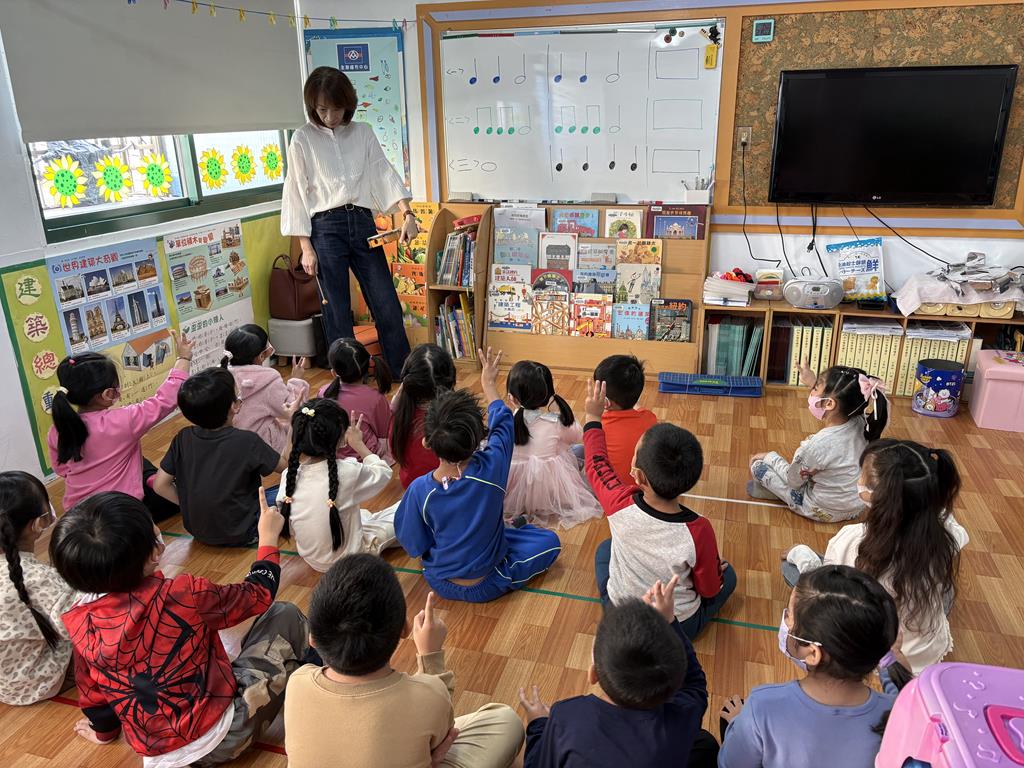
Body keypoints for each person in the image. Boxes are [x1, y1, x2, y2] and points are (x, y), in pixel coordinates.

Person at [50, 491, 308, 766]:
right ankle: (319, 677)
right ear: (154, 553)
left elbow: (92, 694)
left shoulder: (79, 622)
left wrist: (104, 733)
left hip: (157, 753)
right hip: (226, 735)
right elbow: (257, 595)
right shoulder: (184, 593)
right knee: (284, 614)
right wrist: (267, 539)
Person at [285, 554, 525, 768]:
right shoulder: (427, 695)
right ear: (405, 628)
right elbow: (443, 734)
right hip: (428, 718)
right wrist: (430, 655)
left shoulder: (297, 683)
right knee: (505, 721)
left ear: (312, 638)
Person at [280, 65, 419, 375]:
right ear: (312, 107)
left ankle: (404, 373)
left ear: (348, 104)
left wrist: (407, 212)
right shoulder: (302, 139)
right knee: (337, 311)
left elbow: (383, 171)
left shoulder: (362, 132)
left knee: (386, 301)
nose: (330, 116)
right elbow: (296, 192)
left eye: (337, 108)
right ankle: (348, 380)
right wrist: (306, 247)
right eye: (322, 109)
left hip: (362, 222)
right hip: (324, 229)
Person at [784, 439, 966, 673]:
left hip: (871, 651)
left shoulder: (852, 540)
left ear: (876, 496)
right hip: (924, 649)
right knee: (942, 591)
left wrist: (799, 554)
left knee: (795, 573)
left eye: (862, 476)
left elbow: (827, 590)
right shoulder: (950, 532)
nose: (858, 481)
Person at [395, 348, 561, 603]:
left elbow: (413, 543)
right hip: (488, 582)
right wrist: (488, 384)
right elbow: (503, 424)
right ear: (479, 438)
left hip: (438, 580)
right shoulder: (491, 467)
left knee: (494, 531)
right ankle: (504, 532)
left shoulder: (419, 490)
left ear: (427, 442)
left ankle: (502, 530)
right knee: (550, 541)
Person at [585, 380, 734, 639]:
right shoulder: (699, 529)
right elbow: (709, 589)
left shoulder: (618, 502)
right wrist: (716, 573)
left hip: (622, 614)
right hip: (677, 626)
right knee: (729, 576)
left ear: (639, 476)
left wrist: (593, 417)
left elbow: (596, 462)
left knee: (604, 550)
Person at [519, 575, 719, 768]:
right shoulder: (680, 719)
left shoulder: (567, 716)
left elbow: (539, 763)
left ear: (593, 674)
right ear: (674, 681)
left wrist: (538, 725)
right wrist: (669, 621)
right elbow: (694, 685)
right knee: (706, 745)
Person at [718, 565, 901, 768]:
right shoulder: (897, 713)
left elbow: (729, 764)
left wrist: (738, 722)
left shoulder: (763, 707)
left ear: (813, 653)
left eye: (789, 615)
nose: (785, 619)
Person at [48, 333, 193, 521]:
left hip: (78, 514)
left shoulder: (58, 429)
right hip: (121, 513)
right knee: (174, 491)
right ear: (108, 394)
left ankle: (149, 478)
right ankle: (150, 480)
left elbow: (61, 470)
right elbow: (165, 400)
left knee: (138, 458)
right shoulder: (123, 421)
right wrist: (184, 357)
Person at [154, 367, 287, 547]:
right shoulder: (247, 441)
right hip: (246, 531)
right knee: (290, 489)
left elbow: (160, 485)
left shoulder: (182, 437)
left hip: (197, 531)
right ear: (235, 406)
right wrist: (293, 425)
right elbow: (286, 469)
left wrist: (188, 505)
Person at [749, 361, 889, 522]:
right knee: (816, 465)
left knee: (758, 466)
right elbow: (836, 397)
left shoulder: (817, 445)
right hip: (856, 506)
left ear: (829, 403)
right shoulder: (864, 423)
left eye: (815, 388)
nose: (812, 391)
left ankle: (780, 494)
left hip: (821, 509)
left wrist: (770, 457)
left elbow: (793, 480)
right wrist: (812, 382)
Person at [277, 398, 396, 573]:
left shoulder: (289, 475)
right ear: (341, 438)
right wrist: (358, 444)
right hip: (353, 559)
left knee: (359, 514)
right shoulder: (347, 471)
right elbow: (383, 473)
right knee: (404, 510)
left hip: (312, 559)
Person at [0, 471, 77, 705]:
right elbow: (77, 629)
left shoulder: (30, 576)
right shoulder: (39, 578)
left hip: (4, 683)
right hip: (37, 683)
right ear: (37, 524)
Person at [504, 360, 601, 529]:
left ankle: (525, 512)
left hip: (513, 491)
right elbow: (578, 435)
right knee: (577, 450)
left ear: (512, 398)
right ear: (548, 393)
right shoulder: (555, 422)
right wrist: (558, 412)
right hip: (548, 491)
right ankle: (535, 510)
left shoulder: (506, 421)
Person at [221, 323, 309, 454]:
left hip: (227, 444)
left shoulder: (219, 374)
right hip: (261, 447)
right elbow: (293, 410)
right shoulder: (268, 379)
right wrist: (296, 380)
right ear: (261, 356)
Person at [319, 336, 394, 463]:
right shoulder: (375, 398)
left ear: (333, 372)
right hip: (366, 456)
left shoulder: (323, 392)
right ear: (367, 368)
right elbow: (383, 434)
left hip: (333, 457)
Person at [391, 343, 457, 488]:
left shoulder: (400, 417)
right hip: (448, 488)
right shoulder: (455, 418)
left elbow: (395, 454)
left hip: (412, 485)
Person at [591, 355, 658, 484]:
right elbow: (638, 408)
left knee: (578, 450)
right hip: (641, 489)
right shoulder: (650, 419)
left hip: (609, 491)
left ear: (606, 402)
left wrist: (592, 414)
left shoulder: (599, 427)